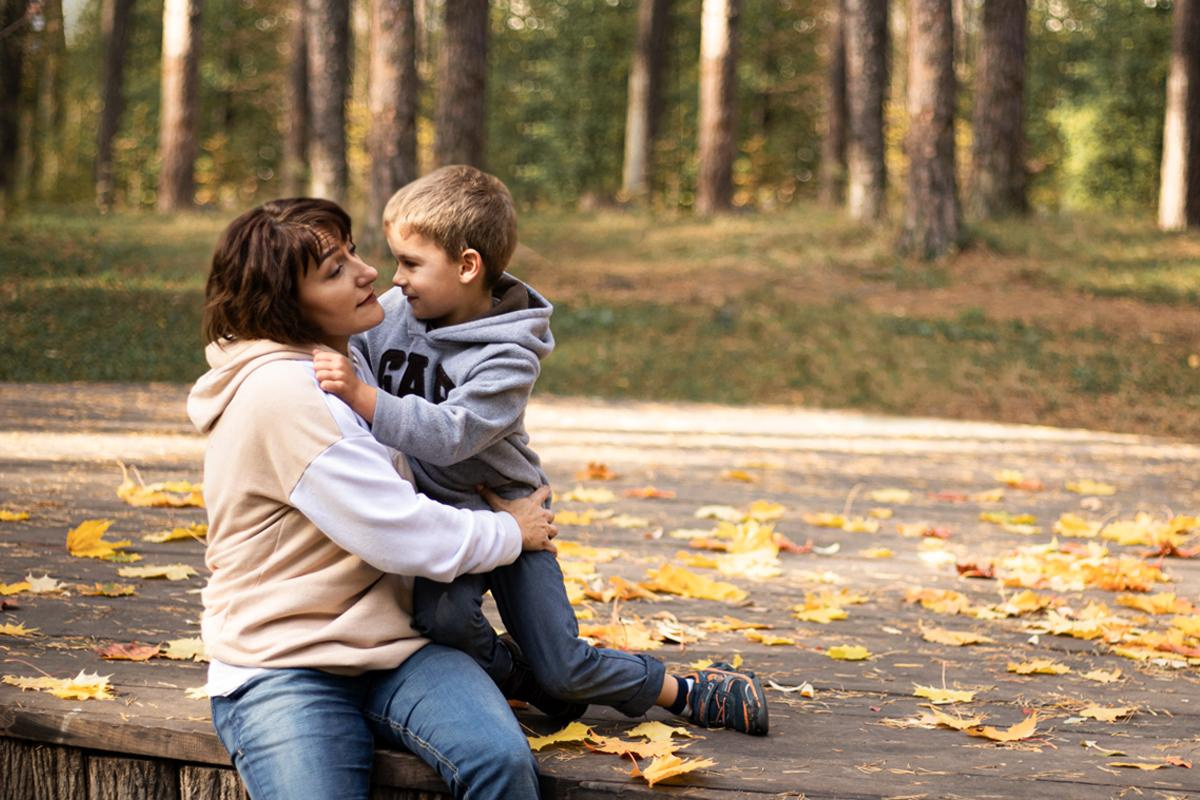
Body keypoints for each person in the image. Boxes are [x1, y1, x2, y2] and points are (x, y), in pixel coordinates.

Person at [313, 165, 769, 736]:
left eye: (411, 263)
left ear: (467, 265)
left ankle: (689, 690)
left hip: (512, 508)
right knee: (442, 619)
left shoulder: (509, 352)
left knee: (567, 670)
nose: (395, 278)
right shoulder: (397, 314)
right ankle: (520, 677)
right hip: (446, 518)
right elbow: (344, 342)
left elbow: (453, 435)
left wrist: (364, 396)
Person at [187, 197, 561, 800]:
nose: (369, 273)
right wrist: (511, 531)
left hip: (398, 648)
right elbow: (399, 533)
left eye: (353, 253)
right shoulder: (285, 394)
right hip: (286, 662)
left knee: (501, 765)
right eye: (335, 271)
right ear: (286, 305)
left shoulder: (344, 363)